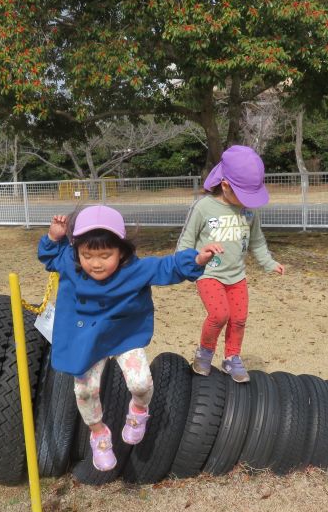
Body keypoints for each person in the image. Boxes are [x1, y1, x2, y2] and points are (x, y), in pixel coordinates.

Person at [38, 205, 223, 471]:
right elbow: (49, 256)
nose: (96, 263)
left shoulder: (136, 270)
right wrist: (54, 236)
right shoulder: (70, 263)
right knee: (84, 390)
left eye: (105, 255)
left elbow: (168, 267)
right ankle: (98, 433)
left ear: (122, 251)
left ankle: (138, 411)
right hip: (86, 338)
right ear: (77, 250)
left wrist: (197, 260)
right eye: (87, 255)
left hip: (123, 334)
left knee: (140, 383)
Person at [177, 145, 284, 383]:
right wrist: (184, 264)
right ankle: (204, 353)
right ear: (225, 185)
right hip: (209, 274)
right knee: (219, 315)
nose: (247, 201)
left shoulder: (249, 212)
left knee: (239, 319)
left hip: (237, 276)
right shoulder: (203, 207)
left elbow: (257, 240)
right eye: (243, 194)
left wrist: (268, 262)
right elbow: (186, 241)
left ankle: (231, 357)